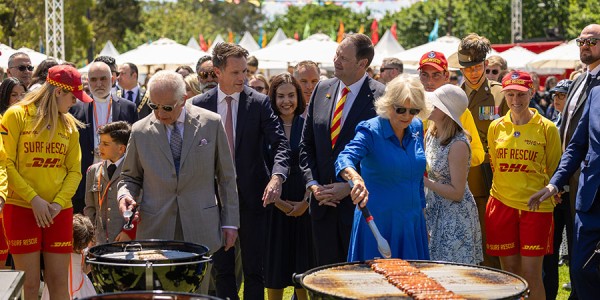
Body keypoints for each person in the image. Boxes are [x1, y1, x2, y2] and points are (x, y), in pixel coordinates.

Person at [118, 70, 239, 294]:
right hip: (156, 228)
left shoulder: (211, 123)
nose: (159, 114)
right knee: (159, 293)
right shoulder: (140, 130)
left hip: (200, 226)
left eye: (167, 107)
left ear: (183, 99)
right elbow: (130, 177)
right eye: (154, 106)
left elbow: (226, 177)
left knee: (197, 292)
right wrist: (125, 195)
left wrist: (230, 223)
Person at [192, 42, 290, 300]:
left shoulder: (258, 103)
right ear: (217, 72)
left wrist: (277, 177)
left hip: (253, 199)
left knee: (254, 271)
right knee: (222, 271)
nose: (242, 78)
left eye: (244, 71)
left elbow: (280, 142)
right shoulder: (198, 105)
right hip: (213, 200)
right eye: (235, 73)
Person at [1, 65, 91, 300]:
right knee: (29, 285)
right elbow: (6, 163)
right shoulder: (16, 114)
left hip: (58, 211)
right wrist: (34, 199)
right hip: (21, 207)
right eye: (73, 97)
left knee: (59, 283)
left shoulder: (70, 125)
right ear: (59, 91)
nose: (75, 103)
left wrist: (58, 203)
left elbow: (75, 171)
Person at [300, 33, 386, 266]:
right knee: (324, 280)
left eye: (343, 58)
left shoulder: (382, 97)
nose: (336, 60)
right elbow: (306, 144)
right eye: (337, 54)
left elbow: (382, 155)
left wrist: (349, 186)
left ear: (362, 64)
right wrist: (313, 185)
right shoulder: (322, 88)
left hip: (359, 209)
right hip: (321, 207)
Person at [529, 25, 600, 300]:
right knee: (580, 268)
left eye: (592, 41)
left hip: (584, 189)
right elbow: (576, 143)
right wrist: (554, 183)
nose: (585, 45)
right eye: (581, 41)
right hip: (585, 194)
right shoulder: (586, 86)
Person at [335, 74, 429, 261]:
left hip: (412, 224)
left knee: (414, 286)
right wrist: (355, 177)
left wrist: (422, 217)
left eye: (414, 111)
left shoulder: (417, 127)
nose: (407, 116)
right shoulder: (371, 130)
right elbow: (344, 157)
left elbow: (417, 178)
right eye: (401, 109)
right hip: (378, 225)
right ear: (388, 104)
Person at [487, 71, 561, 300]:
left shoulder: (547, 128)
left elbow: (553, 167)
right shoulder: (495, 127)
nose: (515, 101)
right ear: (504, 95)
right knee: (508, 274)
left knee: (531, 275)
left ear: (531, 92)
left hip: (536, 208)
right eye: (510, 95)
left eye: (521, 95)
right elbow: (495, 165)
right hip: (501, 204)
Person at [458, 32, 509, 269]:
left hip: (490, 180)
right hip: (459, 181)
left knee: (492, 246)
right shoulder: (454, 96)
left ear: (486, 64)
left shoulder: (500, 94)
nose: (473, 72)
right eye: (467, 68)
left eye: (477, 67)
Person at [264, 73, 313, 300]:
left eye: (291, 95)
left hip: (304, 205)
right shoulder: (265, 127)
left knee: (303, 269)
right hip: (272, 205)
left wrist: (305, 201)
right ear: (272, 98)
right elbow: (260, 166)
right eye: (280, 96)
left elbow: (313, 164)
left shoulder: (308, 125)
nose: (286, 101)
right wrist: (279, 203)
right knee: (275, 267)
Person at [423, 84, 482, 265]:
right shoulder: (431, 134)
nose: (430, 105)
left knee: (454, 273)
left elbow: (457, 192)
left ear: (447, 112)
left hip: (454, 216)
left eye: (436, 104)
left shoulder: (458, 144)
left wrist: (425, 182)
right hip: (435, 210)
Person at [70, 61, 137, 214]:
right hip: (85, 179)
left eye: (103, 78)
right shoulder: (75, 109)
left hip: (118, 178)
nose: (98, 83)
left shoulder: (129, 107)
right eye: (93, 79)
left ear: (112, 79)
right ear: (87, 81)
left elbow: (133, 145)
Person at [417, 50, 485, 167]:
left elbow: (478, 155)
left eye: (436, 75)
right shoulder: (410, 107)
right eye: (425, 75)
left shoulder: (459, 111)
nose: (429, 81)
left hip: (446, 183)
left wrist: (447, 156)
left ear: (446, 76)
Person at [542, 79, 573, 300]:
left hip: (573, 195)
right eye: (555, 95)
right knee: (550, 252)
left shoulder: (578, 123)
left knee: (576, 249)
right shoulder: (552, 123)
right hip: (554, 196)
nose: (556, 99)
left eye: (562, 95)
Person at [84, 121, 135, 244]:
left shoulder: (135, 170)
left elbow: (143, 206)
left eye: (105, 144)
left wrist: (129, 232)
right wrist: (90, 234)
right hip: (100, 242)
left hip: (126, 241)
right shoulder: (93, 171)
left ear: (121, 148)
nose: (100, 147)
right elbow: (90, 208)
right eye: (100, 142)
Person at [41, 214, 96, 299]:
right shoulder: (81, 253)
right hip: (80, 286)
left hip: (59, 285)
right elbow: (84, 270)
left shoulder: (60, 253)